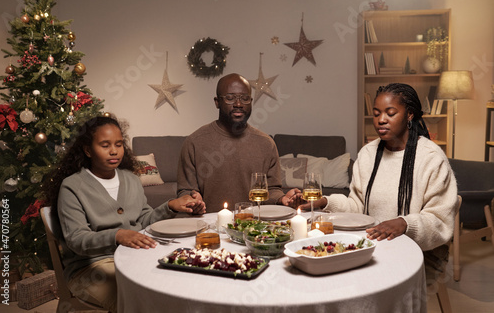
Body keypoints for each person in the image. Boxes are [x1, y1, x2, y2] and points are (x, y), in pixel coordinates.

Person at [290, 83, 458, 283]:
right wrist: (325, 202)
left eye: (390, 113)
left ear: (410, 114)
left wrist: (405, 223)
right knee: (330, 276)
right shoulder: (369, 153)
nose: (381, 120)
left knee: (369, 285)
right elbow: (358, 206)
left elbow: (440, 221)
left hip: (422, 252)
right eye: (376, 113)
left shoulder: (430, 158)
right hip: (373, 245)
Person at [44, 115, 205, 312]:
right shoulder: (72, 187)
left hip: (134, 257)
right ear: (88, 150)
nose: (114, 151)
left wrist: (170, 206)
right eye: (105, 145)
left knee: (174, 287)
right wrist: (117, 235)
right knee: (141, 302)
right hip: (90, 269)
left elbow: (144, 220)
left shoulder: (130, 179)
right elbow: (77, 240)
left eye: (119, 144)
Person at [177, 73, 301, 213]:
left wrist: (283, 199)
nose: (238, 104)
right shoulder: (194, 142)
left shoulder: (266, 143)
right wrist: (193, 200)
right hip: (209, 228)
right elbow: (185, 192)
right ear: (217, 102)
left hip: (254, 227)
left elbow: (272, 190)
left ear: (251, 101)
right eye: (230, 98)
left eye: (245, 98)